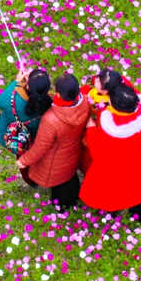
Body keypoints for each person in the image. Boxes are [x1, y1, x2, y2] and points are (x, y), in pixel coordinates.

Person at [80, 84, 141, 225]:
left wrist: (91, 129)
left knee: (112, 194)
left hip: (113, 165)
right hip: (134, 160)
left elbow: (99, 152)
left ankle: (111, 213)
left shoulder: (112, 129)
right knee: (137, 192)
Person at [16, 73, 89, 212]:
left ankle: (63, 207)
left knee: (60, 185)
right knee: (70, 176)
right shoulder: (85, 102)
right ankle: (73, 197)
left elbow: (41, 147)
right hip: (74, 151)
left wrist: (24, 160)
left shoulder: (51, 119)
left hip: (56, 159)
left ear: (59, 95)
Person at [80, 67, 141, 181]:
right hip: (133, 137)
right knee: (131, 156)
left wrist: (91, 128)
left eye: (99, 82)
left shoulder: (113, 118)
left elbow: (100, 145)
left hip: (117, 139)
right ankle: (139, 171)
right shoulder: (123, 90)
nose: (95, 81)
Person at [0, 68, 51, 186]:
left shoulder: (12, 96)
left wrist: (17, 82)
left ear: (27, 85)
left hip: (19, 138)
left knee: (23, 162)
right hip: (36, 139)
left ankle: (30, 182)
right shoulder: (49, 105)